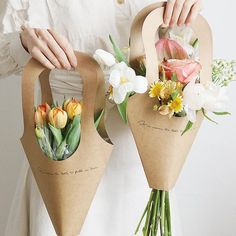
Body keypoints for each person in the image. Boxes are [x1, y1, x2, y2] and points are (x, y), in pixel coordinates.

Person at [0, 0, 202, 235]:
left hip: (146, 152)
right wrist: (23, 43)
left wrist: (186, 13)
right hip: (66, 146)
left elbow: (180, 41)